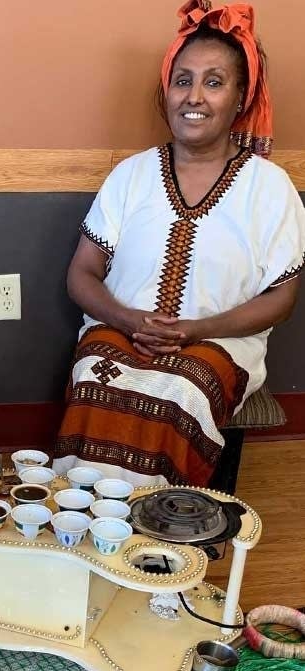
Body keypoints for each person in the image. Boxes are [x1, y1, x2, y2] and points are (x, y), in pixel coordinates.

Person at [52, 0, 305, 488]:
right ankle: (85, 521)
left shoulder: (269, 188)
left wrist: (195, 329)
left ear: (240, 98)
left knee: (183, 385)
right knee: (93, 372)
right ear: (166, 92)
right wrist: (128, 319)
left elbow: (282, 298)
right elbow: (81, 272)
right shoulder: (131, 175)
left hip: (219, 343)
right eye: (182, 80)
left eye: (214, 82)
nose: (195, 96)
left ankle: (164, 531)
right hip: (120, 330)